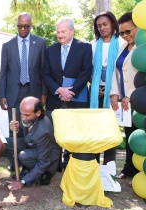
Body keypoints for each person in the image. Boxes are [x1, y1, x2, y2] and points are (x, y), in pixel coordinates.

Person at [42, 17, 92, 170]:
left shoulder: (84, 47)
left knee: (74, 132)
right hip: (55, 99)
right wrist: (59, 90)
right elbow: (45, 74)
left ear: (72, 30)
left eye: (63, 31)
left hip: (77, 99)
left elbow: (86, 71)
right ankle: (54, 166)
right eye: (58, 32)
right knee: (54, 133)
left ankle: (70, 163)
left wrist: (71, 91)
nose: (60, 35)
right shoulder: (50, 51)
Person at [0, 12, 47, 139]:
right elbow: (3, 73)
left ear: (31, 25)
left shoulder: (40, 43)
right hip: (14, 92)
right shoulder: (7, 46)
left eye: (26, 26)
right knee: (15, 126)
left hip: (33, 90)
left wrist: (43, 94)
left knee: (35, 125)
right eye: (20, 26)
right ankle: (16, 155)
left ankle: (33, 155)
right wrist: (2, 95)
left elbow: (43, 71)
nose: (23, 29)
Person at [90, 11, 125, 164]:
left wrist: (110, 90)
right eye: (99, 26)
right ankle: (95, 163)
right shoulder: (93, 44)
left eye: (105, 24)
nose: (102, 28)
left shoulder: (122, 43)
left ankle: (109, 165)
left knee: (111, 128)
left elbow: (121, 69)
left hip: (115, 93)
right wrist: (96, 85)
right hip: (96, 92)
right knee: (96, 128)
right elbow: (89, 69)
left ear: (112, 24)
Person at [6, 96, 60, 191]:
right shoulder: (27, 113)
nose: (23, 118)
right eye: (22, 114)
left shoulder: (43, 132)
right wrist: (15, 128)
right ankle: (25, 168)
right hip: (31, 143)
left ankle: (39, 173)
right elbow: (26, 128)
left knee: (23, 156)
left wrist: (22, 182)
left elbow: (43, 163)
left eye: (26, 115)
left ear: (38, 113)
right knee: (6, 143)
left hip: (46, 154)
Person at [110, 12, 139, 181]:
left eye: (129, 31)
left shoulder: (143, 48)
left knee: (139, 135)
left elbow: (142, 76)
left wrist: (129, 95)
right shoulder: (123, 47)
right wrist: (115, 94)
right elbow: (116, 72)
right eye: (122, 33)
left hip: (140, 100)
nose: (125, 35)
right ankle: (129, 169)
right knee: (129, 135)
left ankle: (139, 169)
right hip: (124, 102)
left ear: (138, 28)